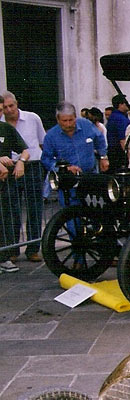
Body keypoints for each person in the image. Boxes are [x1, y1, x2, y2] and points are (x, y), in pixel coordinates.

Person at [1, 91, 46, 263]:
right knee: (11, 210)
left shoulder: (32, 118)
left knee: (35, 208)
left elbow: (42, 141)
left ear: (16, 103)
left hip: (32, 166)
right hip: (8, 168)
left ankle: (33, 248)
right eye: (4, 107)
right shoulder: (1, 123)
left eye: (11, 105)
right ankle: (12, 249)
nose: (8, 109)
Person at [41, 102, 109, 209]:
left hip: (90, 177)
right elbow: (46, 159)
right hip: (68, 182)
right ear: (58, 120)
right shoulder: (51, 136)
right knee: (71, 213)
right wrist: (63, 168)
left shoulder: (86, 125)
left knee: (95, 210)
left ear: (75, 117)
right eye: (64, 121)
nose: (68, 124)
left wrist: (103, 157)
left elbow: (99, 138)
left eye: (71, 120)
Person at [0, 118, 30, 273]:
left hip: (5, 185)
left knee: (6, 218)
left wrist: (21, 162)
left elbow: (25, 150)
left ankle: (4, 257)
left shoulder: (6, 128)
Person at [105, 94, 130, 172]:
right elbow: (122, 138)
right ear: (120, 105)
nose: (127, 105)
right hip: (118, 151)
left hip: (112, 150)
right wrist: (127, 153)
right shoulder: (120, 119)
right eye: (125, 103)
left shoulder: (113, 116)